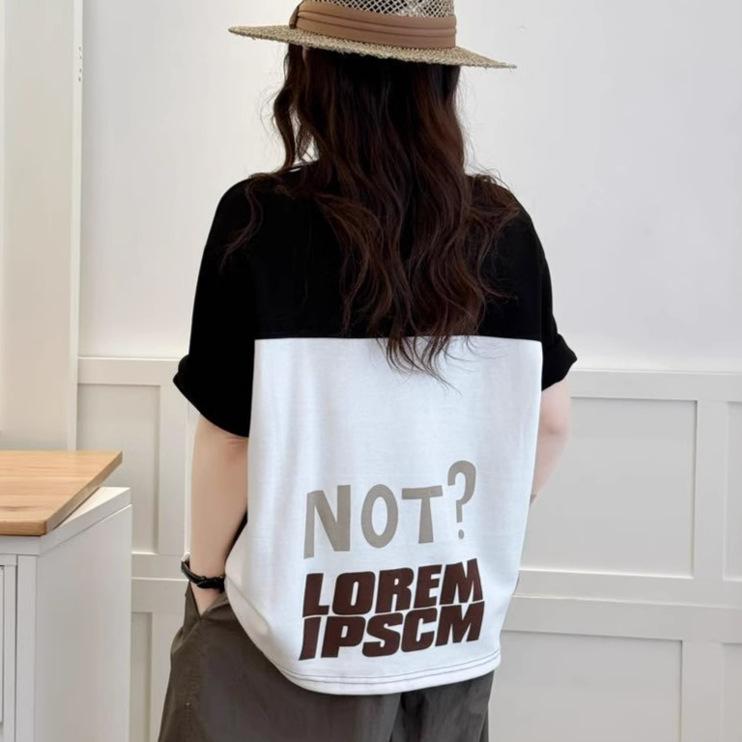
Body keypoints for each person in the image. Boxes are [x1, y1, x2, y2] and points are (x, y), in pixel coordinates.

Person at [158, 1, 578, 740]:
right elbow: (550, 422)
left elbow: (229, 442)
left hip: (284, 634)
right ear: (441, 84)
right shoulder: (503, 227)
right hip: (448, 630)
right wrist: (469, 530)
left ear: (312, 77)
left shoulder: (259, 219)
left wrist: (206, 581)